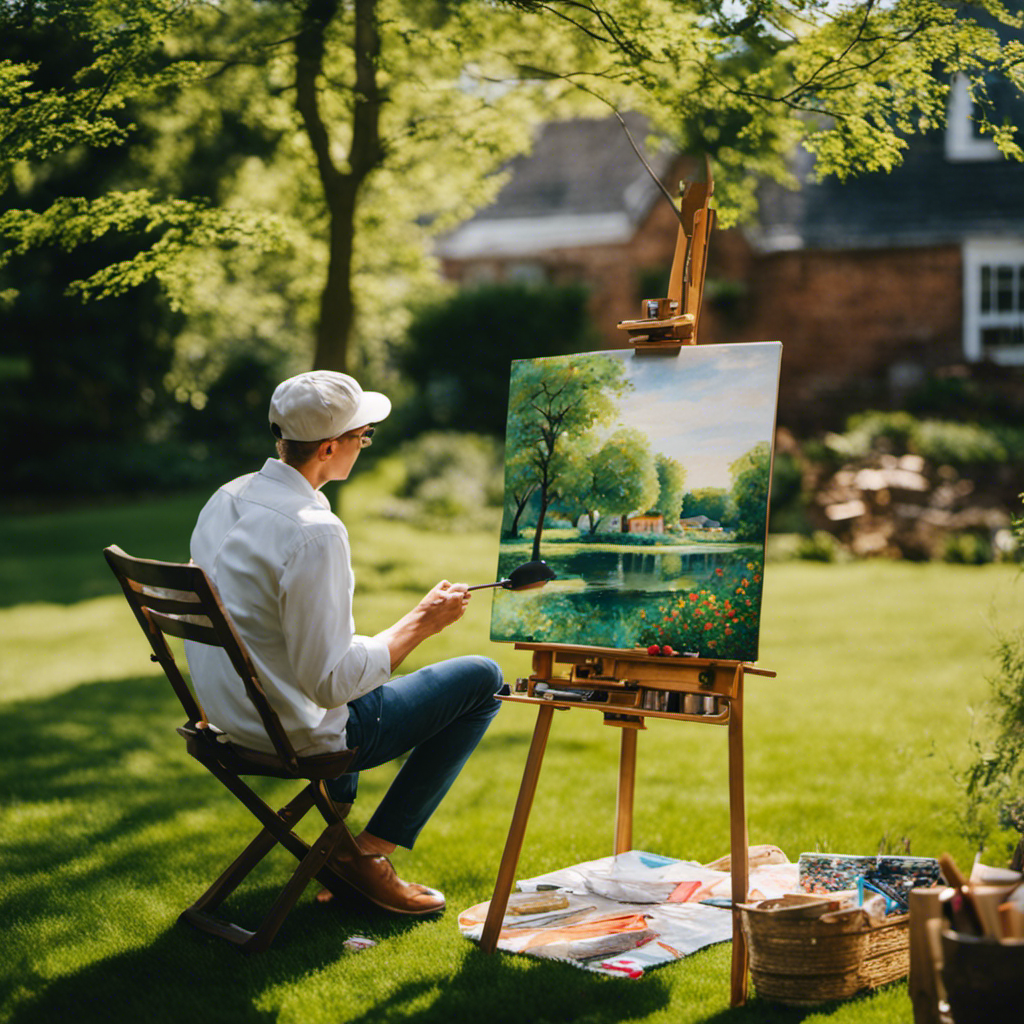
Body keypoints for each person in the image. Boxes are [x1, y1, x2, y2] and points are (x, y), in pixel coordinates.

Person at [184, 370, 505, 917]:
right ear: (330, 447)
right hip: (296, 733)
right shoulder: (314, 528)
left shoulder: (227, 497)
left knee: (363, 655)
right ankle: (365, 854)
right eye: (364, 436)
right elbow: (330, 686)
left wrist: (392, 634)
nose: (365, 445)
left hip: (231, 718)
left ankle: (340, 834)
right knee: (484, 678)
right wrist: (422, 622)